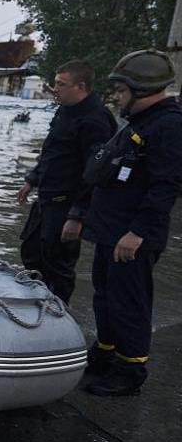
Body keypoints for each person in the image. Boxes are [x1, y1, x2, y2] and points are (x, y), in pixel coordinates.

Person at [79, 49, 181, 396]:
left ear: (143, 89)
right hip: (112, 230)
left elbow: (165, 186)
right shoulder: (140, 123)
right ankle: (105, 354)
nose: (118, 97)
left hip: (131, 236)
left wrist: (137, 232)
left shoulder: (168, 126)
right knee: (106, 297)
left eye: (122, 91)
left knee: (129, 303)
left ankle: (130, 369)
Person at [15, 60, 117, 305]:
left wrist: (77, 215)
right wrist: (32, 180)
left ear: (80, 86)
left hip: (67, 204)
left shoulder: (95, 120)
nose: (55, 89)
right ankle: (33, 304)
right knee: (31, 252)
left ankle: (58, 312)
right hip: (47, 198)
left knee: (58, 264)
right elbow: (53, 152)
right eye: (55, 83)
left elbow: (96, 173)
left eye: (61, 84)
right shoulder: (65, 111)